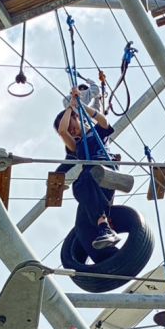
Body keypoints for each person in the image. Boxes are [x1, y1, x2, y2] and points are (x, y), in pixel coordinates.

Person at [54, 87, 119, 251]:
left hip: (105, 170)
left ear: (77, 118)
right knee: (79, 185)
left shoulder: (97, 132)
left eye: (72, 126)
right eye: (70, 131)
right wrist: (70, 107)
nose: (72, 131)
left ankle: (104, 225)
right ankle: (103, 230)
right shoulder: (76, 146)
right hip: (92, 181)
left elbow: (103, 120)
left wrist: (79, 106)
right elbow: (62, 131)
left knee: (88, 175)